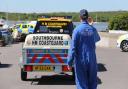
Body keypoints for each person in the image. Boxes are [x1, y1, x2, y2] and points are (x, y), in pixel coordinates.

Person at [68, 9, 100, 89]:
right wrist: (91, 25)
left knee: (82, 84)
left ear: (80, 17)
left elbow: (73, 49)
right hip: (92, 60)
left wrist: (69, 62)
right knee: (92, 83)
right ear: (88, 17)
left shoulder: (76, 30)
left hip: (80, 61)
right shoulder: (92, 29)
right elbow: (97, 39)